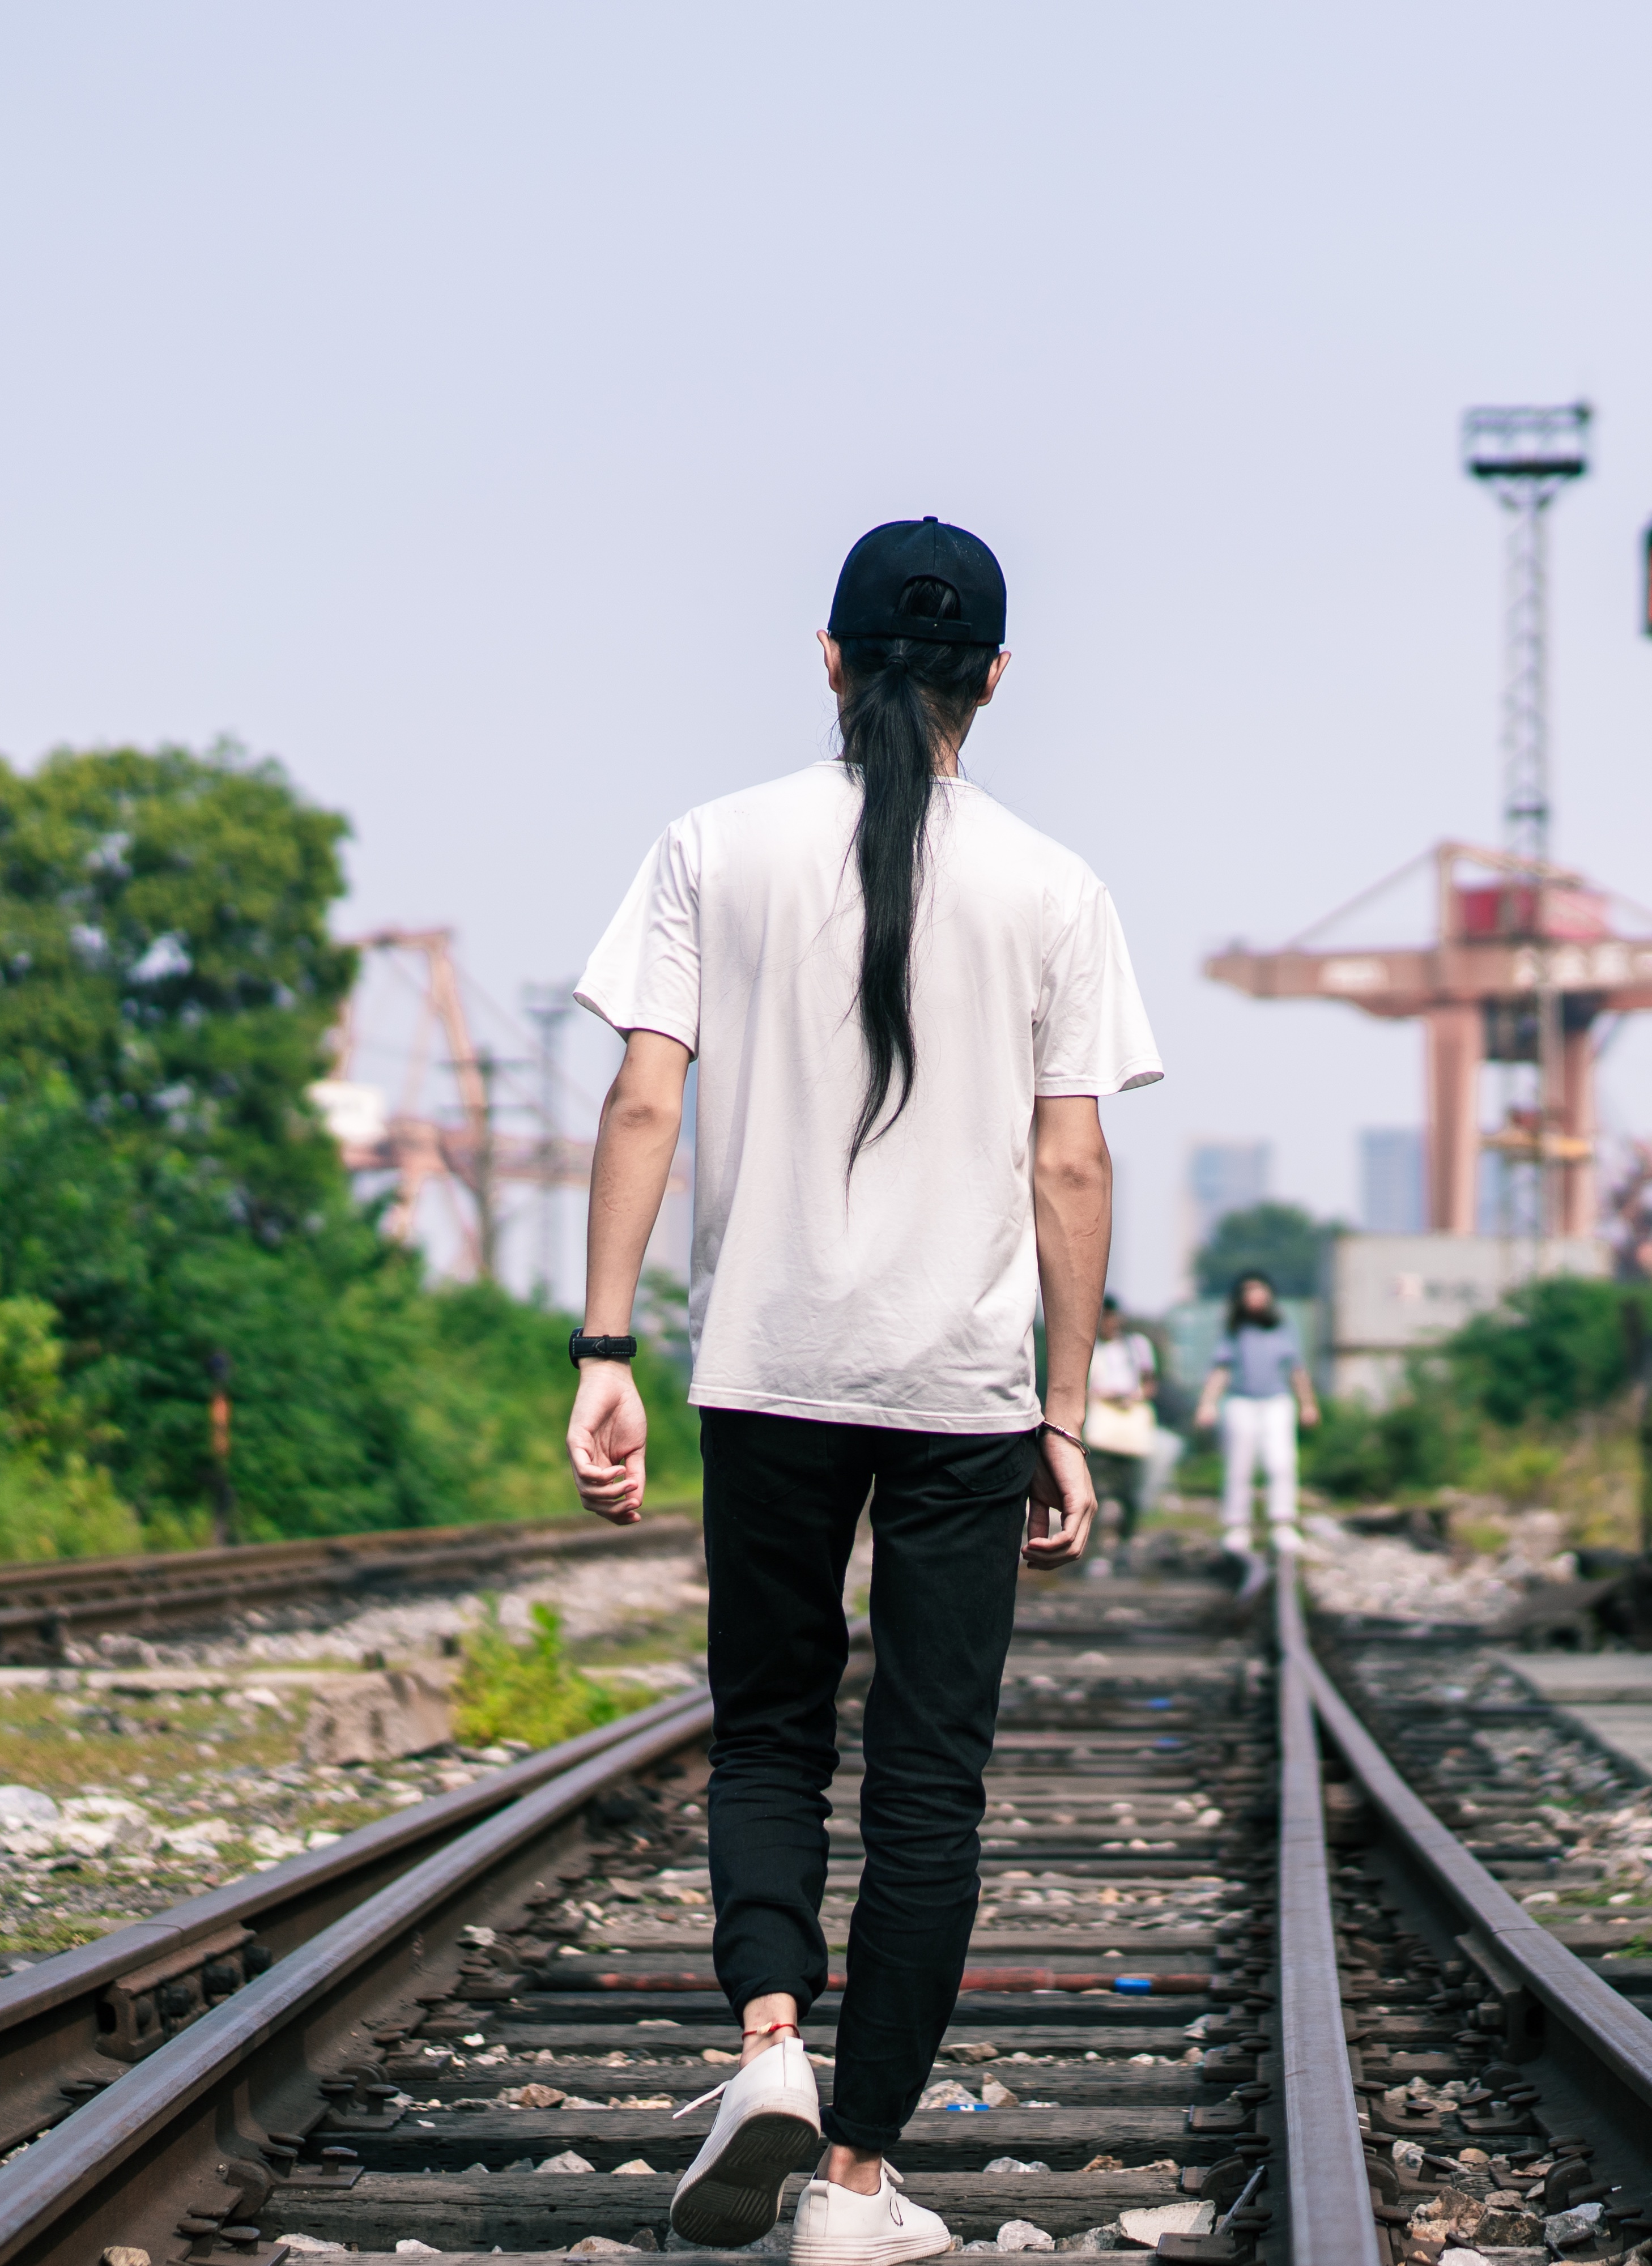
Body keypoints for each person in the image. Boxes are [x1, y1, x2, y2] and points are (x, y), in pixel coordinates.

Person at [562, 519, 1161, 2266]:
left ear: (827, 662)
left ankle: (767, 2041)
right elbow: (1070, 1166)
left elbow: (643, 1106)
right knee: (926, 1783)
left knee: (765, 1730)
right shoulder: (1055, 888)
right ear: (992, 678)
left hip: (764, 1371)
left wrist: (604, 1352)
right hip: (960, 1392)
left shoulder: (710, 848)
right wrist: (1065, 1409)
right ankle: (851, 2185)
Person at [1194, 1271, 1319, 1562]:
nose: (1254, 1297)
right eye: (1248, 1292)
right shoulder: (1234, 1331)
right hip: (1241, 1402)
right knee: (1240, 1465)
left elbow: (1296, 1369)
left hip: (1277, 1401)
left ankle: (1282, 1523)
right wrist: (1207, 1404)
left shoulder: (1282, 1328)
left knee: (1281, 1462)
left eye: (1259, 1291)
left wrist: (1308, 1404)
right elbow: (1221, 1369)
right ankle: (1238, 1526)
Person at [1080, 1296, 1159, 1559]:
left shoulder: (1137, 1347)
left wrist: (1134, 1396)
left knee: (1130, 1494)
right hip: (1101, 1432)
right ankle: (1094, 1548)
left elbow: (1150, 1383)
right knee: (1096, 1491)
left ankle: (1125, 1544)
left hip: (1131, 1433)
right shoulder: (1090, 1348)